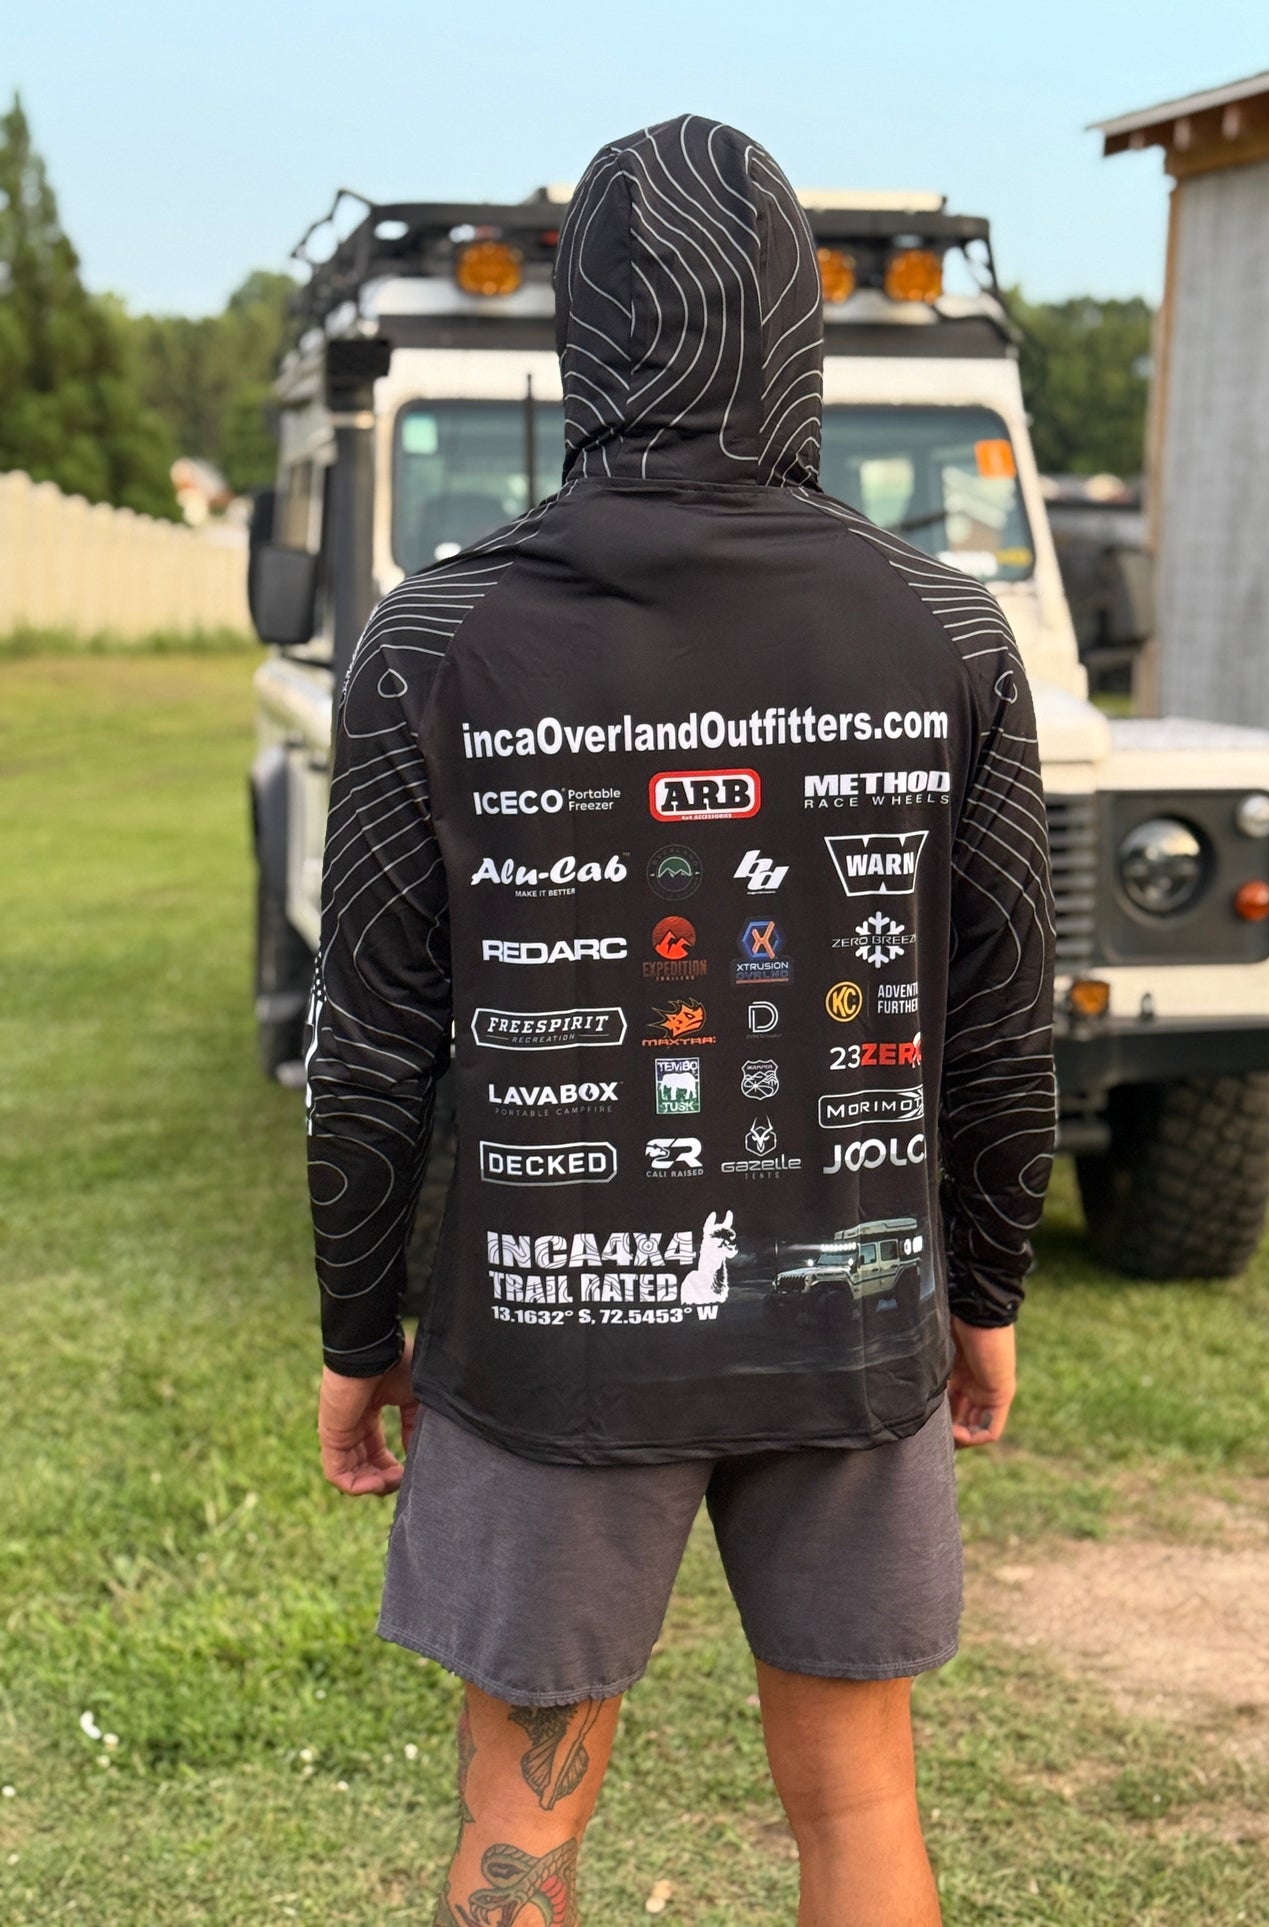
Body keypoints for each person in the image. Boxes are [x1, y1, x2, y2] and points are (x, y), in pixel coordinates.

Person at [308, 114, 1055, 1927]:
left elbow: (374, 1042)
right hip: (852, 1310)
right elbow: (1002, 1017)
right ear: (800, 328)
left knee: (519, 1828)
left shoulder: (436, 638)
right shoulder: (949, 630)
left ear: (586, 332)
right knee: (861, 1813)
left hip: (548, 1340)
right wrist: (984, 1294)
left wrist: (356, 1330)